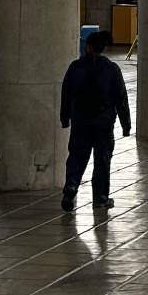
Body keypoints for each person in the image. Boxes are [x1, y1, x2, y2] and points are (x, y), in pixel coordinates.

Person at [60, 30, 131, 211]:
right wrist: (126, 124)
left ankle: (71, 185)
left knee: (77, 156)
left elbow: (66, 94)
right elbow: (121, 98)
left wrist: (65, 118)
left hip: (81, 120)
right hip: (103, 122)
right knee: (102, 159)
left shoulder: (75, 67)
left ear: (89, 47)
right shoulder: (111, 69)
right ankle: (100, 199)